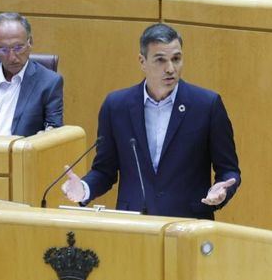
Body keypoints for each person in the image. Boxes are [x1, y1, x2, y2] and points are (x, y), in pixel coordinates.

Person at [61, 23, 240, 219]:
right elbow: (105, 171)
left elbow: (228, 170)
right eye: (160, 60)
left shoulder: (206, 105)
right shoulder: (116, 106)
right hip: (135, 224)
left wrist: (221, 191)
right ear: (142, 61)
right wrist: (84, 189)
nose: (170, 68)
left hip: (188, 224)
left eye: (176, 59)